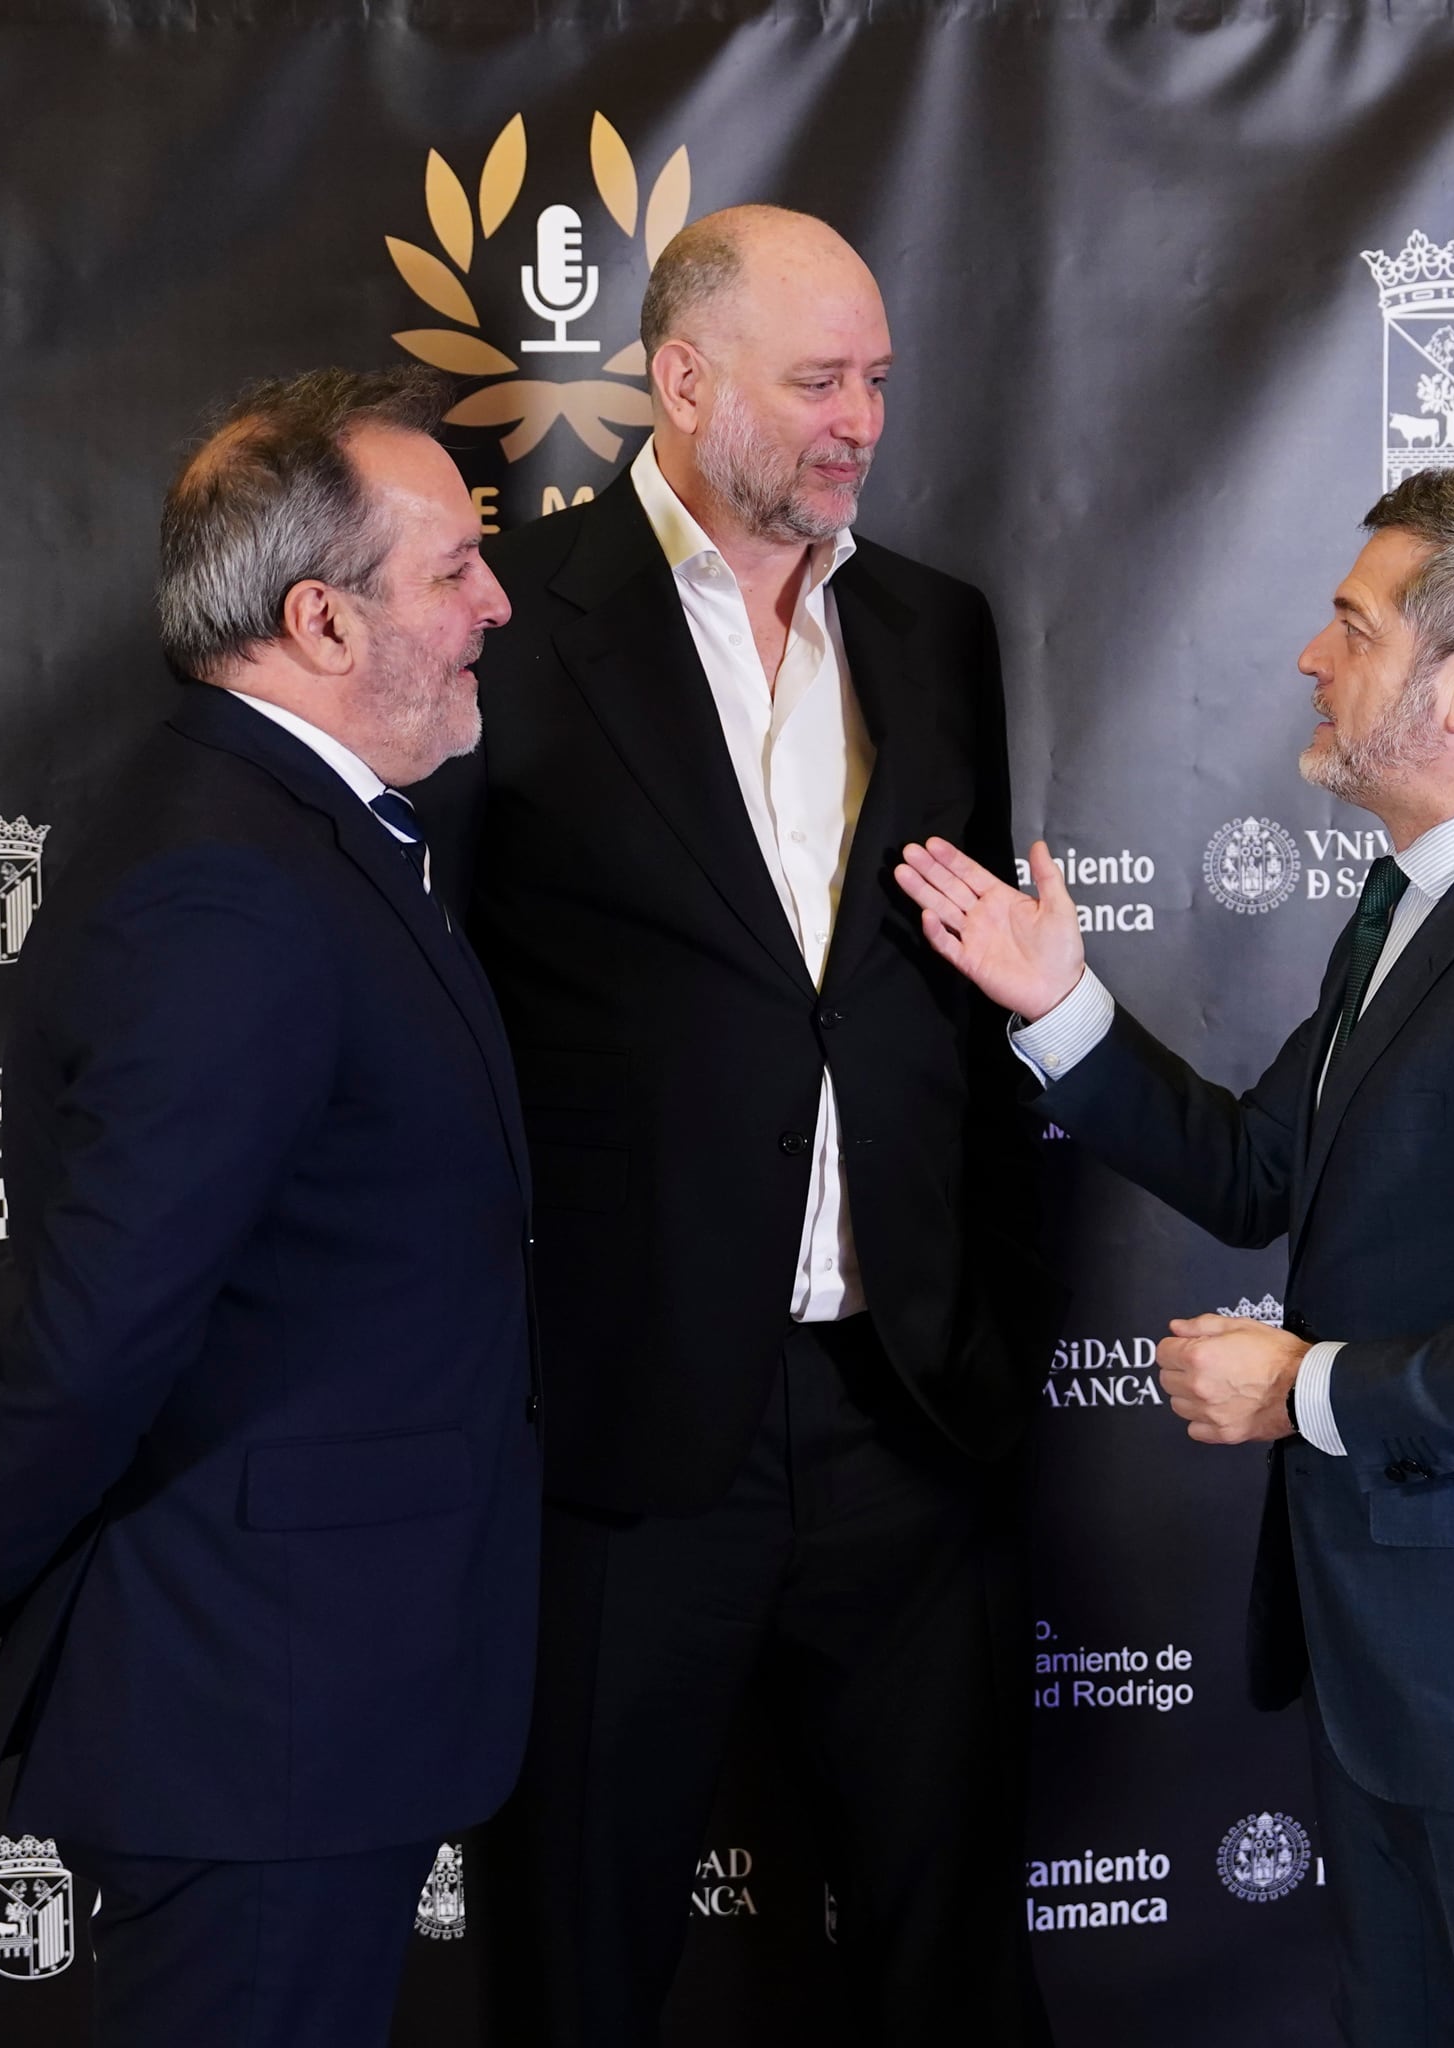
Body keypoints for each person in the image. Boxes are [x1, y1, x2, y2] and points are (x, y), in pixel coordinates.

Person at [892, 467, 1454, 2048]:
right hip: (1405, 1673)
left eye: (1354, 626)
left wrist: (1305, 1389)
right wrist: (1054, 1003)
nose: (1309, 655)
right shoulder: (1420, 907)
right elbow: (1254, 1166)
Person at [412, 206, 1055, 2045]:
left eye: (877, 381)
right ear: (679, 382)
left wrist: (988, 1324)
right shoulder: (513, 622)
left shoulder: (939, 629)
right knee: (582, 1951)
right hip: (627, 1422)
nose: (860, 420)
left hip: (910, 1412)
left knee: (946, 1957)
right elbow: (435, 1003)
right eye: (817, 381)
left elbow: (948, 1001)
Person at [0, 367, 535, 2047]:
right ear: (321, 622)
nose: (498, 601)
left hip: (315, 1700)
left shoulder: (308, 840)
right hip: (260, 1713)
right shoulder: (231, 887)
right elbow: (116, 1305)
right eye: (457, 567)